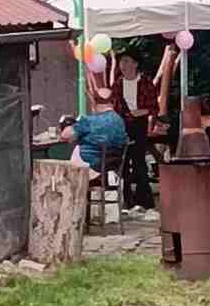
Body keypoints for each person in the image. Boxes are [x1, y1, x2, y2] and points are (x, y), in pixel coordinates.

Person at [111, 53, 158, 211]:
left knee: (139, 161)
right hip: (122, 123)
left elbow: (154, 107)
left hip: (139, 123)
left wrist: (142, 112)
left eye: (126, 61)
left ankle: (144, 200)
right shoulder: (118, 84)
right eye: (121, 62)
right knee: (123, 162)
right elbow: (115, 105)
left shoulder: (145, 82)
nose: (123, 65)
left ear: (135, 64)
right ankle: (127, 200)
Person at [60, 89, 127, 176]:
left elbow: (64, 135)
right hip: (112, 166)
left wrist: (72, 126)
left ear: (94, 102)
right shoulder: (119, 121)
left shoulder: (89, 121)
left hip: (91, 166)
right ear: (113, 102)